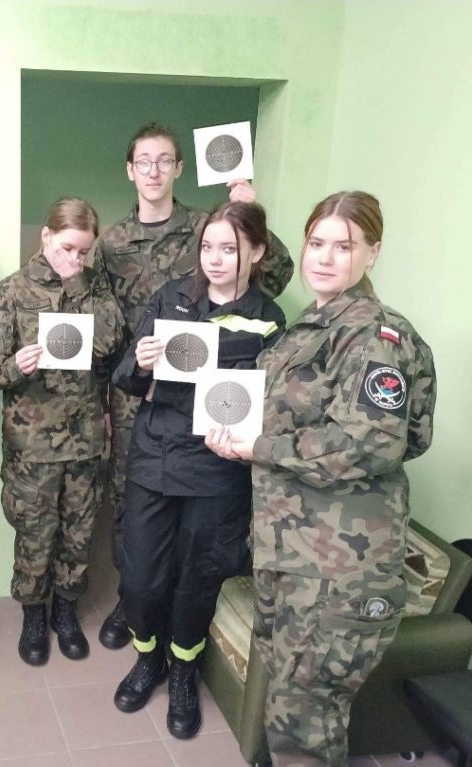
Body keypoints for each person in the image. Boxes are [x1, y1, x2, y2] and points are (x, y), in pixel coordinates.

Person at [206, 191, 436, 766]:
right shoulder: (310, 327)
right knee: (290, 711)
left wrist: (260, 447)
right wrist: (240, 437)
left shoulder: (376, 335)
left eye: (344, 246)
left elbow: (373, 442)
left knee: (307, 727)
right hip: (289, 555)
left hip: (336, 571)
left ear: (372, 252)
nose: (325, 258)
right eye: (316, 243)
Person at [94, 121, 294, 649]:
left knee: (199, 553)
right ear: (130, 170)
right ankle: (134, 610)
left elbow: (272, 278)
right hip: (149, 407)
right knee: (137, 531)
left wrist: (251, 209)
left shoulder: (207, 230)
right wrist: (127, 374)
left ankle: (178, 648)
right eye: (144, 161)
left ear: (179, 168)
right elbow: (103, 319)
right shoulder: (114, 245)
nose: (153, 171)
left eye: (164, 160)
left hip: (215, 437)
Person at [111, 202, 285, 738]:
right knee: (141, 576)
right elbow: (125, 376)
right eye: (208, 246)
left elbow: (276, 401)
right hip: (156, 457)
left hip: (218, 468)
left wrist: (250, 439)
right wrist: (141, 363)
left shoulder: (270, 319)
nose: (215, 259)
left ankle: (183, 670)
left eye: (229, 248)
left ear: (257, 252)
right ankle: (148, 658)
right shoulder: (170, 298)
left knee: (199, 577)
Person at [0, 198, 125, 666]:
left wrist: (77, 283)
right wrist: (16, 366)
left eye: (83, 251)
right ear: (45, 237)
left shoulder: (92, 285)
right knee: (35, 533)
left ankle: (66, 612)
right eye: (67, 248)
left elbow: (110, 342)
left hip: (84, 436)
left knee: (78, 533)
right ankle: (32, 616)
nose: (74, 259)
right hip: (33, 443)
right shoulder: (11, 291)